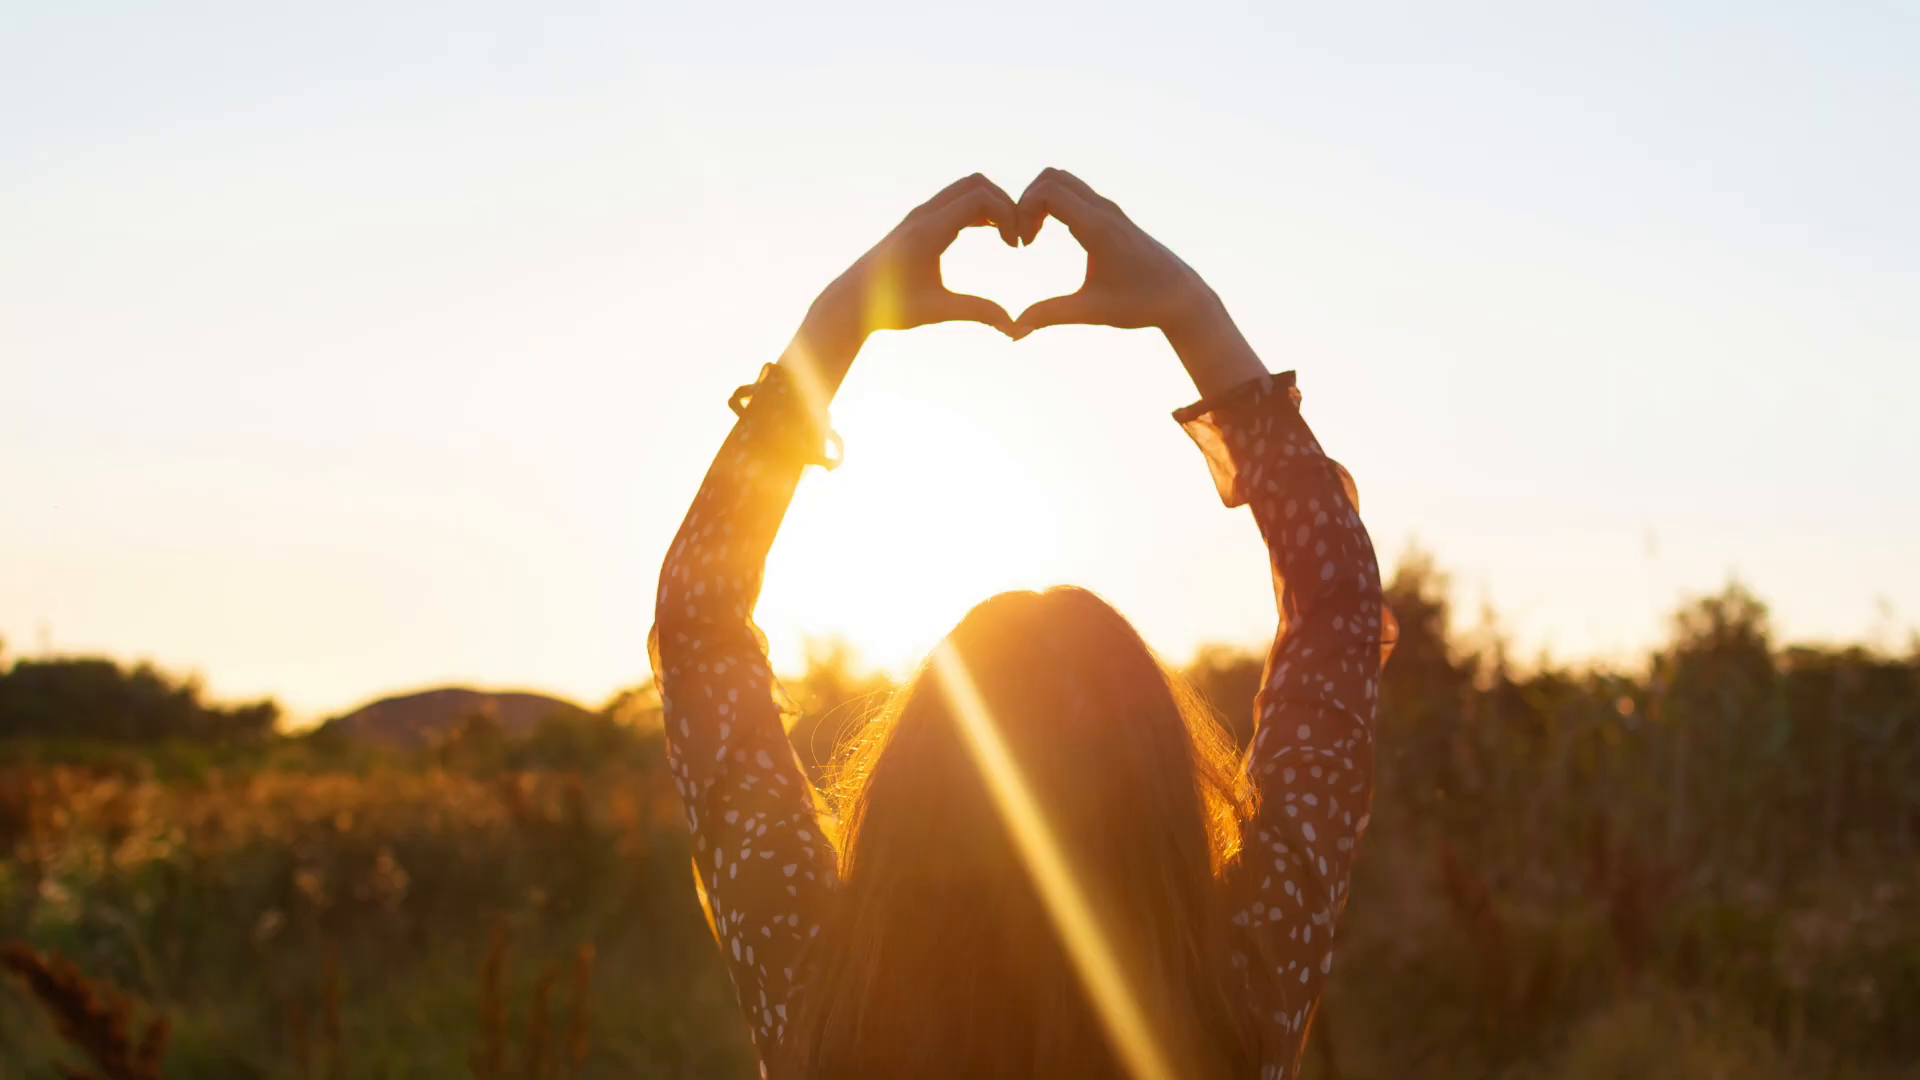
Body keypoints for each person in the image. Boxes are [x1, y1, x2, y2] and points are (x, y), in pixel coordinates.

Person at [651, 169, 1392, 1080]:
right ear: (1162, 784)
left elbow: (698, 624)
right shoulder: (1240, 987)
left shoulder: (819, 986)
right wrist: (1186, 312)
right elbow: (1340, 607)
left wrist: (837, 326)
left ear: (918, 774)